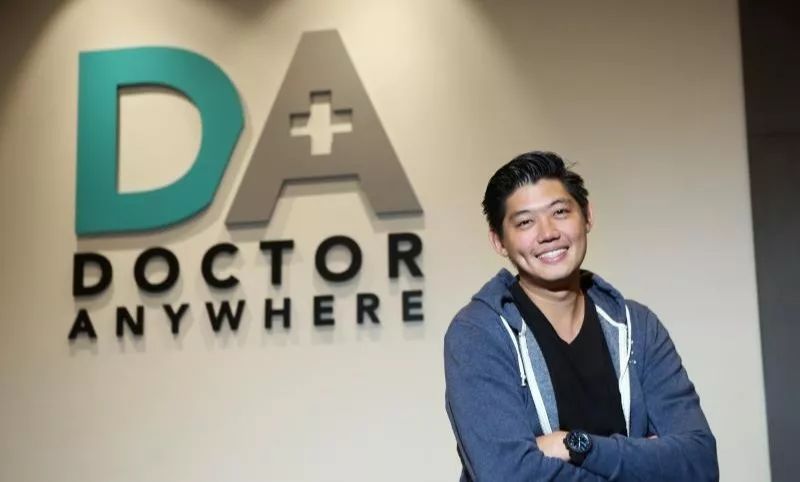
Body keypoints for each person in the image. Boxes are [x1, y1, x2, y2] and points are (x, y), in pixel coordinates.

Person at [444, 151, 718, 481]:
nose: (548, 233)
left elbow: (699, 463)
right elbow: (508, 474)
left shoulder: (638, 327)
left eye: (560, 212)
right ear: (499, 241)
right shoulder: (479, 333)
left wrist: (575, 446)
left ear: (587, 216)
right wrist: (644, 464)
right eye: (525, 222)